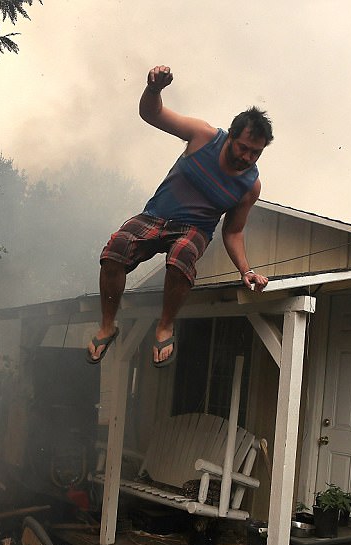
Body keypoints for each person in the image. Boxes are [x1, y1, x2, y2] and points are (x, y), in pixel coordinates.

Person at [86, 64, 273, 368]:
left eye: (255, 153)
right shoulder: (203, 136)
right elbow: (151, 114)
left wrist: (245, 271)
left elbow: (233, 231)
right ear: (230, 137)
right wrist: (154, 89)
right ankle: (108, 326)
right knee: (116, 248)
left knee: (181, 256)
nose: (246, 157)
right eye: (243, 148)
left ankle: (165, 326)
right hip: (156, 216)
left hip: (194, 229)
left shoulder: (250, 185)